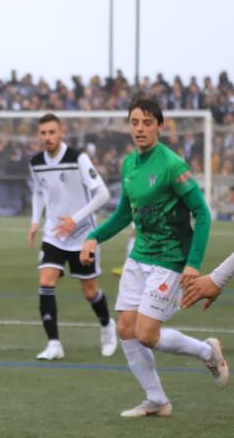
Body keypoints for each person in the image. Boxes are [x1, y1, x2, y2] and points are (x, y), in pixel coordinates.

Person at [80, 99, 229, 417]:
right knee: (125, 328)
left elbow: (202, 214)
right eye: (134, 122)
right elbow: (123, 214)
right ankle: (157, 400)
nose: (140, 129)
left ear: (160, 126)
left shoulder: (173, 166)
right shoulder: (129, 165)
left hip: (170, 258)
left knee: (146, 335)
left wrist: (193, 263)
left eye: (147, 122)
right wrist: (94, 237)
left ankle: (208, 351)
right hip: (140, 255)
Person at [28, 114, 116, 360]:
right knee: (46, 280)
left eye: (52, 132)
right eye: (43, 133)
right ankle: (54, 344)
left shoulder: (78, 158)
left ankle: (107, 326)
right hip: (54, 235)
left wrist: (75, 220)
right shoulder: (35, 162)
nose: (47, 137)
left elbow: (103, 195)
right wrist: (36, 221)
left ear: (61, 132)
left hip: (83, 235)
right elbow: (38, 191)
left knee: (90, 292)